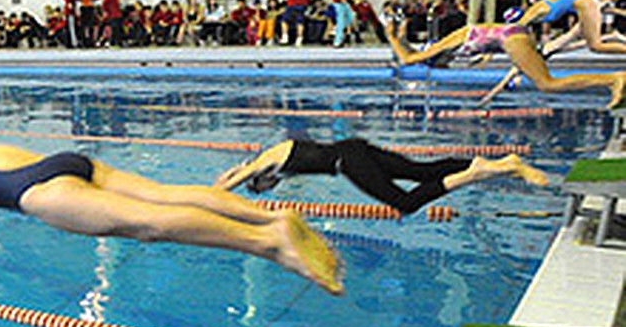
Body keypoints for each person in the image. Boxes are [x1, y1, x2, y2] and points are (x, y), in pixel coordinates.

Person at [0, 144, 343, 299]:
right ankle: (268, 214)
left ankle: (269, 240)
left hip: (44, 192)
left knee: (150, 225)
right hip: (69, 161)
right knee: (166, 194)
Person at [216, 139, 548, 215]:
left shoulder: (264, 163)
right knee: (420, 171)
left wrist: (202, 198)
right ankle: (502, 162)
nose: (269, 187)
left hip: (348, 161)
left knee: (405, 203)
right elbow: (237, 172)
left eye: (261, 188)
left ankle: (475, 174)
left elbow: (230, 182)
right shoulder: (273, 161)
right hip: (355, 148)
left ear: (257, 180)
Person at [387, 18, 626, 107]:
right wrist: (400, 39)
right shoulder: (450, 47)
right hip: (514, 36)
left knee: (546, 84)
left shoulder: (445, 44)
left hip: (510, 38)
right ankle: (611, 79)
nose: (444, 67)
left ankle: (612, 78)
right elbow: (411, 53)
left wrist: (389, 36)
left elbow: (408, 59)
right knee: (547, 77)